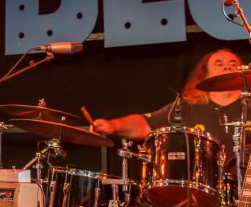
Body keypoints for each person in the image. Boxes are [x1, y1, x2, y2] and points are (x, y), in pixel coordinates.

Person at [93, 48, 244, 147]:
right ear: (205, 74)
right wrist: (113, 125)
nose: (227, 67)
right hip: (206, 190)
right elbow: (145, 124)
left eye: (233, 63)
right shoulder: (186, 107)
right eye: (219, 64)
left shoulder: (248, 105)